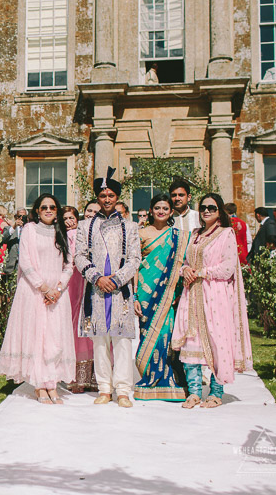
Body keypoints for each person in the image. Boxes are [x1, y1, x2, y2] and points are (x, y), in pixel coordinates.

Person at [171, 194, 253, 408]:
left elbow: (227, 268)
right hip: (193, 293)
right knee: (192, 340)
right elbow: (186, 261)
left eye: (212, 207)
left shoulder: (226, 234)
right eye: (204, 207)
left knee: (218, 341)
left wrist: (201, 272)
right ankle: (194, 392)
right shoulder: (196, 234)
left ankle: (216, 392)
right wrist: (186, 270)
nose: (207, 211)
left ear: (220, 212)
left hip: (215, 294)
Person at [0, 194, 76, 404]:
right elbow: (25, 261)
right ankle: (40, 385)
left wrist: (58, 288)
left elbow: (69, 265)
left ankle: (52, 383)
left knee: (54, 338)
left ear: (57, 210)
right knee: (37, 337)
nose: (48, 210)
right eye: (44, 207)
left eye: (52, 207)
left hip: (57, 294)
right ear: (38, 211)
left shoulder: (63, 233)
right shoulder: (30, 230)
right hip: (34, 291)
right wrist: (43, 288)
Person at [75, 167, 141, 408]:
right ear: (97, 198)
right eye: (102, 196)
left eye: (111, 195)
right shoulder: (85, 226)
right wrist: (96, 277)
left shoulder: (130, 227)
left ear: (117, 198)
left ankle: (123, 389)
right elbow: (79, 256)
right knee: (100, 339)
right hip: (96, 289)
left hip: (119, 289)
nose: (107, 200)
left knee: (122, 340)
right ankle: (104, 387)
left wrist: (118, 278)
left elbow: (135, 259)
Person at [133, 193, 188, 401]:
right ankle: (149, 379)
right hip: (146, 294)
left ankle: (168, 380)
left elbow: (182, 265)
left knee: (166, 335)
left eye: (165, 208)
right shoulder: (141, 233)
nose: (161, 211)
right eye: (158, 208)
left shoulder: (178, 236)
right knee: (146, 333)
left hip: (168, 294)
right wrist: (136, 296)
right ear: (150, 210)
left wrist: (178, 291)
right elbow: (135, 267)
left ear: (171, 211)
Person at [64, 206, 96, 393]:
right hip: (71, 282)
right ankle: (76, 377)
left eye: (72, 217)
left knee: (85, 321)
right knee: (74, 323)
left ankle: (89, 377)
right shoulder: (64, 236)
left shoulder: (82, 234)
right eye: (66, 218)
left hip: (83, 278)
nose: (69, 221)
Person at [3, 209, 27, 280]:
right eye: (19, 216)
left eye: (24, 216)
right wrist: (14, 226)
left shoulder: (29, 229)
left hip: (25, 265)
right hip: (11, 265)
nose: (21, 218)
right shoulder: (9, 229)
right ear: (15, 217)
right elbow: (2, 240)